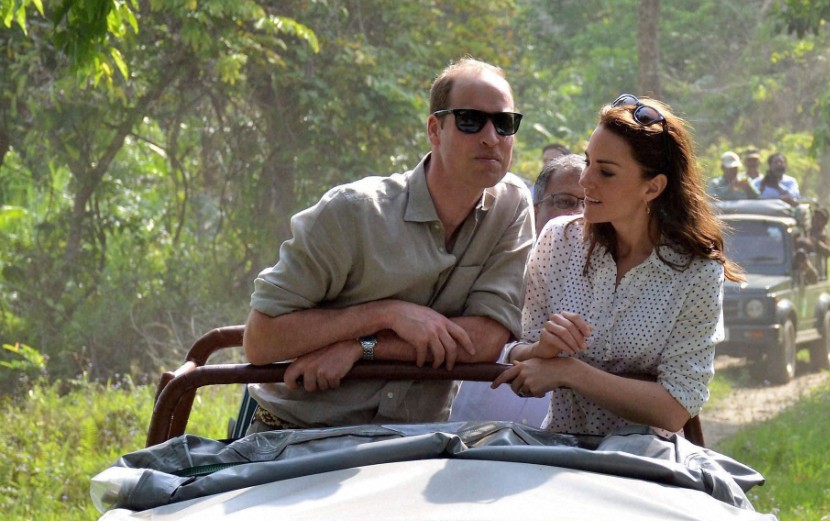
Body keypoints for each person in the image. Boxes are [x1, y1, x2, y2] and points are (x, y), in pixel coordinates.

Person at [241, 57, 535, 432]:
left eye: (504, 123)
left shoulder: (511, 205)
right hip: (299, 433)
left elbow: (484, 341)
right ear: (435, 129)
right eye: (469, 120)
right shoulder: (353, 212)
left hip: (411, 444)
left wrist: (363, 347)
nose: (491, 137)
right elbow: (261, 339)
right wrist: (386, 313)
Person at [491, 94, 741, 436]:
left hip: (644, 471)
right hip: (557, 456)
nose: (584, 181)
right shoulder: (558, 240)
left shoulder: (698, 273)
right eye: (588, 162)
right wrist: (540, 350)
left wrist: (570, 372)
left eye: (605, 172)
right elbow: (517, 358)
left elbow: (675, 408)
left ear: (653, 187)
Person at [449, 154, 586, 427]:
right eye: (566, 202)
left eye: (589, 203)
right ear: (535, 212)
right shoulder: (496, 266)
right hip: (466, 437)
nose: (578, 215)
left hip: (559, 453)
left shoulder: (617, 286)